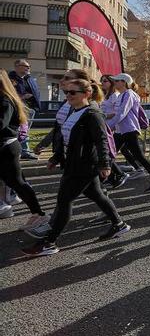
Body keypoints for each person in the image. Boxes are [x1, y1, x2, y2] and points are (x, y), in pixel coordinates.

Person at [22, 78, 130, 256]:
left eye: (73, 92)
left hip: (84, 166)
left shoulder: (92, 114)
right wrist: (56, 157)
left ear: (86, 94)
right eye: (66, 92)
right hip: (73, 163)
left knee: (64, 201)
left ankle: (49, 242)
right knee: (96, 194)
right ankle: (119, 224)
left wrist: (105, 164)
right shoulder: (75, 111)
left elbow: (101, 140)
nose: (68, 96)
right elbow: (68, 139)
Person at [0, 70, 46, 229]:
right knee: (15, 182)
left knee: (18, 183)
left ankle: (39, 214)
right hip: (5, 146)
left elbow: (1, 124)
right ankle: (6, 207)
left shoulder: (5, 100)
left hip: (6, 147)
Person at [106, 73, 150, 193]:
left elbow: (121, 114)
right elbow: (117, 113)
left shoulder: (129, 95)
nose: (115, 83)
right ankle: (114, 177)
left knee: (139, 157)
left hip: (129, 131)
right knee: (108, 155)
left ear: (124, 82)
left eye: (117, 81)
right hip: (121, 131)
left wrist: (108, 126)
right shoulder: (121, 95)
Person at [8, 59, 39, 160]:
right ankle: (20, 151)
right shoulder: (10, 79)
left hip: (29, 108)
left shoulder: (29, 78)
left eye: (28, 66)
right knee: (19, 130)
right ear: (17, 66)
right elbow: (8, 94)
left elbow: (35, 93)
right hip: (17, 108)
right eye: (25, 66)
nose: (28, 68)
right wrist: (22, 97)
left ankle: (23, 151)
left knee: (25, 130)